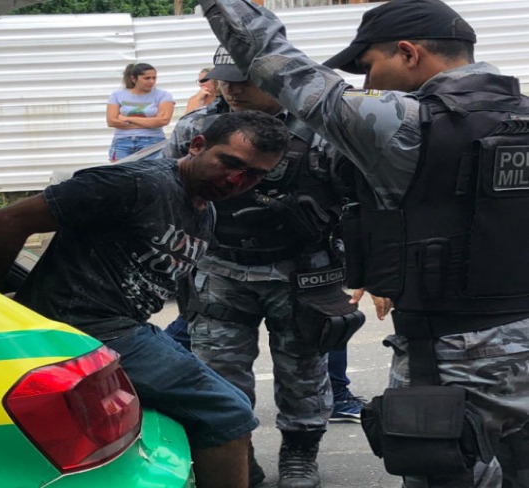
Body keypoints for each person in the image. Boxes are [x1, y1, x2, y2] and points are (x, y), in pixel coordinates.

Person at [197, 0, 529, 487]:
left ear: (409, 52)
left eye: (370, 65)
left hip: (448, 358)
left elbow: (274, 61)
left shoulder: (405, 124)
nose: (367, 82)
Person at [0, 111, 291, 488]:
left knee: (219, 408)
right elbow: (9, 220)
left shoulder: (206, 211)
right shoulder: (137, 184)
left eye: (254, 175)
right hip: (85, 328)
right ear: (197, 145)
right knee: (229, 412)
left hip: (127, 330)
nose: (237, 180)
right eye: (229, 163)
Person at [162, 45, 366, 488]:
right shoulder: (197, 126)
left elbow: (358, 203)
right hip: (220, 269)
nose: (231, 88)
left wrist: (365, 271)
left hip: (302, 273)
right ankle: (239, 458)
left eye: (244, 79)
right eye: (224, 78)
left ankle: (299, 454)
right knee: (218, 374)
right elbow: (171, 192)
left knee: (304, 372)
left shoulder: (320, 129)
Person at [106, 62, 175, 162]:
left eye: (154, 78)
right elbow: (111, 121)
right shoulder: (117, 95)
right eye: (147, 78)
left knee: (152, 174)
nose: (151, 81)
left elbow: (163, 121)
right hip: (122, 142)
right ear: (134, 79)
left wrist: (127, 118)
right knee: (120, 175)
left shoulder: (163, 95)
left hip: (153, 141)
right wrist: (151, 122)